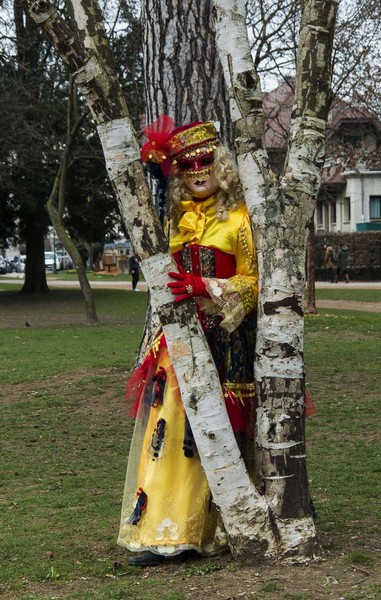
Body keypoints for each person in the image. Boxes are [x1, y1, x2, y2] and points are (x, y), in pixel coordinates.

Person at [117, 115, 259, 566]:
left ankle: (205, 530)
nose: (197, 172)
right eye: (187, 165)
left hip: (225, 340)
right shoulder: (173, 219)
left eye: (205, 162)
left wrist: (207, 286)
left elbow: (255, 283)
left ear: (220, 164)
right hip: (178, 342)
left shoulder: (239, 218)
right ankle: (162, 530)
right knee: (168, 429)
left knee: (212, 432)